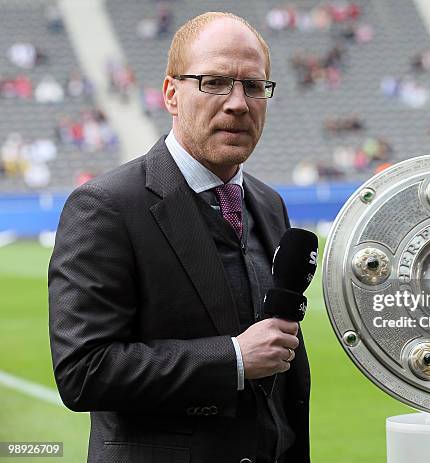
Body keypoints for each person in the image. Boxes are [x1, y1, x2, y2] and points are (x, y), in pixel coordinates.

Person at [48, 12, 310, 463]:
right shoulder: (106, 206)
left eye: (253, 86)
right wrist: (233, 359)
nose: (237, 103)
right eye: (213, 82)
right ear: (171, 93)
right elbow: (83, 371)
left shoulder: (268, 203)